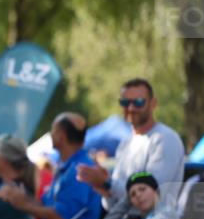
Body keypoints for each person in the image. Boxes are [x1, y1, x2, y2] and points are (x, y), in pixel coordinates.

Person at [78, 78, 185, 211]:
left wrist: (107, 183)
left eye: (138, 102)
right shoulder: (126, 144)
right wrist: (103, 187)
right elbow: (113, 206)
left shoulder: (165, 139)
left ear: (153, 103)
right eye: (125, 102)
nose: (131, 108)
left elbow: (150, 197)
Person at [0, 113, 102, 219]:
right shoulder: (67, 167)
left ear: (61, 136)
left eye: (53, 130)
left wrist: (24, 205)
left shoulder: (79, 170)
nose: (50, 134)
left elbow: (62, 217)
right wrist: (21, 198)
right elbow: (46, 205)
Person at [100, 171, 180, 219]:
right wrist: (125, 202)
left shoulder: (167, 212)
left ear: (156, 191)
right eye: (133, 194)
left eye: (142, 189)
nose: (138, 195)